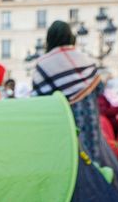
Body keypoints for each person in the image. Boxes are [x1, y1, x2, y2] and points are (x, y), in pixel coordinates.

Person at [32, 21, 103, 159]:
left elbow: (39, 99)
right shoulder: (85, 59)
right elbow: (99, 89)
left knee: (68, 158)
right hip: (90, 119)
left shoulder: (43, 64)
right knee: (91, 159)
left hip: (63, 122)